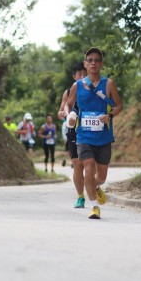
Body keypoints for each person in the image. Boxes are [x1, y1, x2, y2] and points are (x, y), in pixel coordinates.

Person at [63, 48, 122, 219]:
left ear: (101, 64)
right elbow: (68, 104)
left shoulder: (108, 84)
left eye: (97, 60)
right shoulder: (77, 86)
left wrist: (110, 115)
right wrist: (69, 116)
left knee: (101, 177)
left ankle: (95, 186)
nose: (93, 63)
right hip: (84, 136)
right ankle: (94, 207)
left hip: (103, 137)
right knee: (88, 168)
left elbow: (119, 105)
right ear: (85, 64)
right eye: (90, 60)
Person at [58, 62, 87, 208]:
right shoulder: (68, 92)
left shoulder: (94, 89)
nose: (82, 76)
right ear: (74, 76)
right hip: (73, 131)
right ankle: (81, 197)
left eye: (84, 74)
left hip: (90, 131)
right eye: (79, 74)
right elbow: (61, 111)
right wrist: (64, 114)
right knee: (77, 163)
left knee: (90, 163)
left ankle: (95, 186)